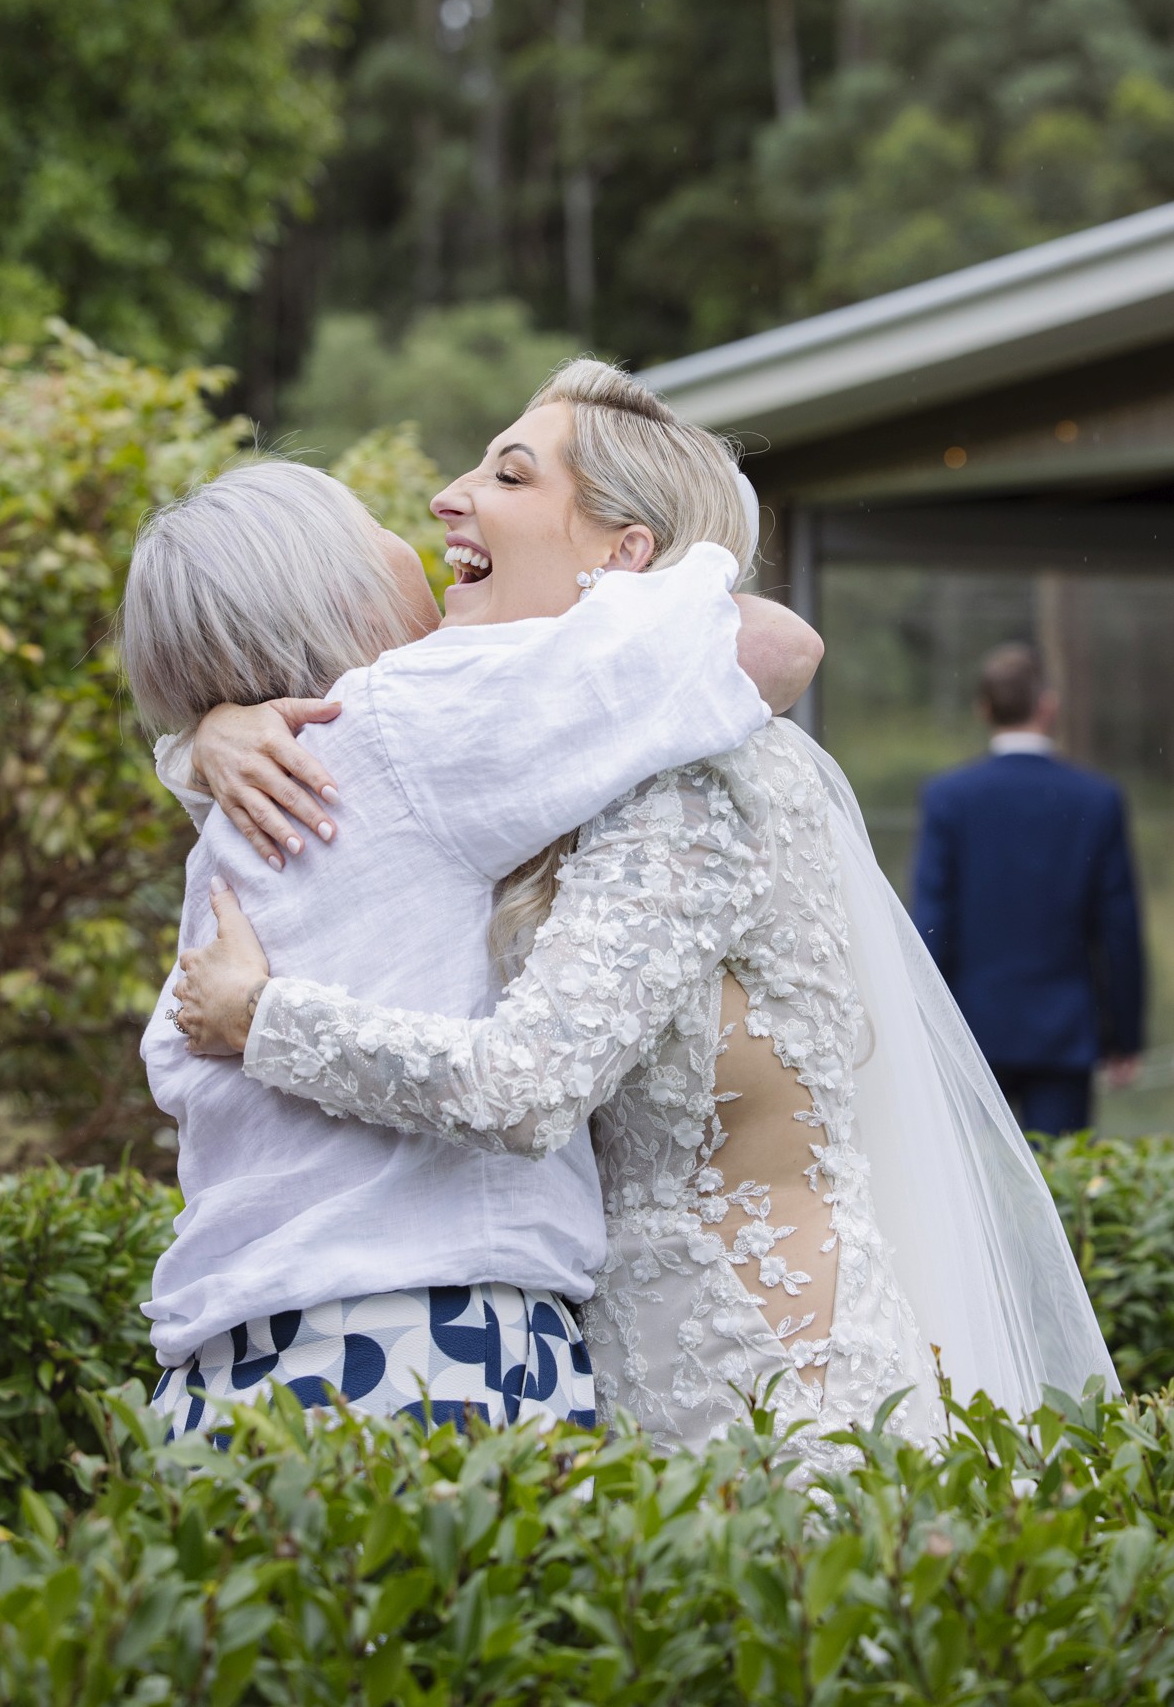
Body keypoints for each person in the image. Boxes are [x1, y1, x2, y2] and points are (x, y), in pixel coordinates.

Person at [173, 382, 1119, 1464]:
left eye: (508, 473)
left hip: (764, 1388)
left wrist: (260, 1020)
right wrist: (212, 729)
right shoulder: (562, 761)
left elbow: (524, 1087)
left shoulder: (695, 777)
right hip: (610, 1384)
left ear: (626, 555)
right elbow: (355, 774)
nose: (449, 497)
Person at [124, 361, 823, 1440]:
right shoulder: (412, 719)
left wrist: (199, 734)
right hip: (421, 1340)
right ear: (339, 595)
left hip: (221, 1362)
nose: (437, 510)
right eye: (377, 527)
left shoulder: (231, 826)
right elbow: (774, 642)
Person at [913, 643, 1145, 1138]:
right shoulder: (1097, 799)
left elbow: (933, 920)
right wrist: (1125, 1037)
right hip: (1063, 1034)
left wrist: (926, 1027)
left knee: (976, 1200)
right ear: (1048, 705)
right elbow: (1118, 927)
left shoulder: (949, 798)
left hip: (970, 1031)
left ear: (983, 708)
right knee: (1060, 1191)